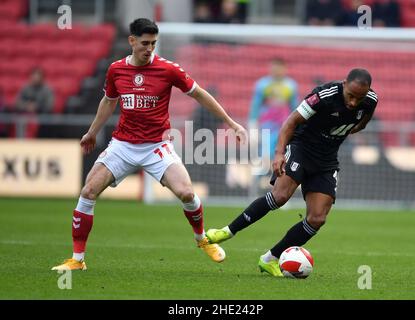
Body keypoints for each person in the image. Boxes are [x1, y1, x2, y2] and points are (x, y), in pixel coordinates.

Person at [51, 18, 247, 271]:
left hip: (156, 147)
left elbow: (199, 94)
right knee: (88, 192)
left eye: (153, 43)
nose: (149, 48)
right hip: (122, 145)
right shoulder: (116, 70)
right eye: (144, 43)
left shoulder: (168, 69)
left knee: (187, 193)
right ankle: (77, 260)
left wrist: (231, 123)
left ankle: (202, 240)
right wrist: (92, 132)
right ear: (131, 41)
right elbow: (109, 101)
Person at [206, 68, 378, 276]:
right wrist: (279, 154)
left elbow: (361, 123)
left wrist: (340, 132)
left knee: (317, 218)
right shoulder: (323, 96)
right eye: (350, 96)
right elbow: (291, 122)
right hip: (301, 149)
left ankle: (270, 259)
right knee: (280, 196)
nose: (353, 102)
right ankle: (227, 231)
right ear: (344, 84)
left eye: (358, 98)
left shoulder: (370, 101)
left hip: (326, 160)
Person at [249, 58, 298, 173]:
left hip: (284, 125)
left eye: (279, 68)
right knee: (265, 155)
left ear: (284, 69)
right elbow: (255, 105)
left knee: (284, 153)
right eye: (274, 68)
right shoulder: (262, 85)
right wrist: (252, 124)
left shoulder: (290, 86)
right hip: (268, 125)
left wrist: (297, 124)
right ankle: (259, 181)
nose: (276, 71)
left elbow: (294, 107)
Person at [15, 67, 54, 137]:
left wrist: (36, 107)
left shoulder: (47, 90)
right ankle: (21, 143)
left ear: (42, 78)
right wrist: (27, 106)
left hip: (42, 117)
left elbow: (49, 106)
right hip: (26, 116)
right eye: (34, 77)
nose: (35, 79)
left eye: (37, 77)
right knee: (20, 119)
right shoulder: (26, 88)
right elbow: (17, 103)